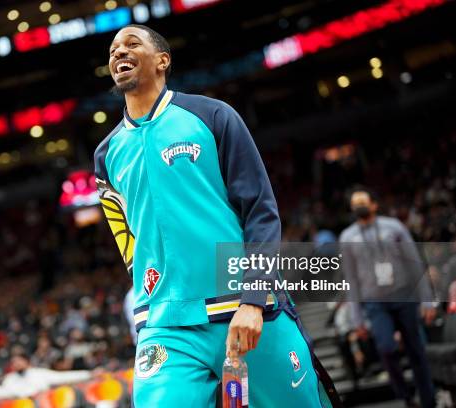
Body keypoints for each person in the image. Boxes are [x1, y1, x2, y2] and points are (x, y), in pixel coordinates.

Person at [94, 24, 339, 407]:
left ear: (162, 60)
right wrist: (148, 306)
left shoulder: (211, 116)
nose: (118, 52)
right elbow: (126, 241)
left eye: (131, 44)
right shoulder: (106, 155)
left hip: (245, 310)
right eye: (113, 49)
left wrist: (255, 297)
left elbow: (260, 211)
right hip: (167, 327)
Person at [340, 187, 437, 408]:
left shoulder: (394, 227)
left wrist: (427, 300)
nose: (359, 207)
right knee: (386, 348)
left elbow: (415, 264)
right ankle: (405, 397)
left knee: (417, 351)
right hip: (375, 303)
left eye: (362, 202)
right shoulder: (347, 237)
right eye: (355, 204)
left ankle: (428, 400)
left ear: (374, 204)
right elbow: (351, 279)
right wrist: (357, 319)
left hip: (404, 297)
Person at [1, 351, 91, 398]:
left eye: (19, 361)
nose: (16, 364)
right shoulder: (9, 379)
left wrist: (89, 374)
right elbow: (4, 394)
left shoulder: (39, 373)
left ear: (27, 361)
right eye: (13, 362)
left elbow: (63, 377)